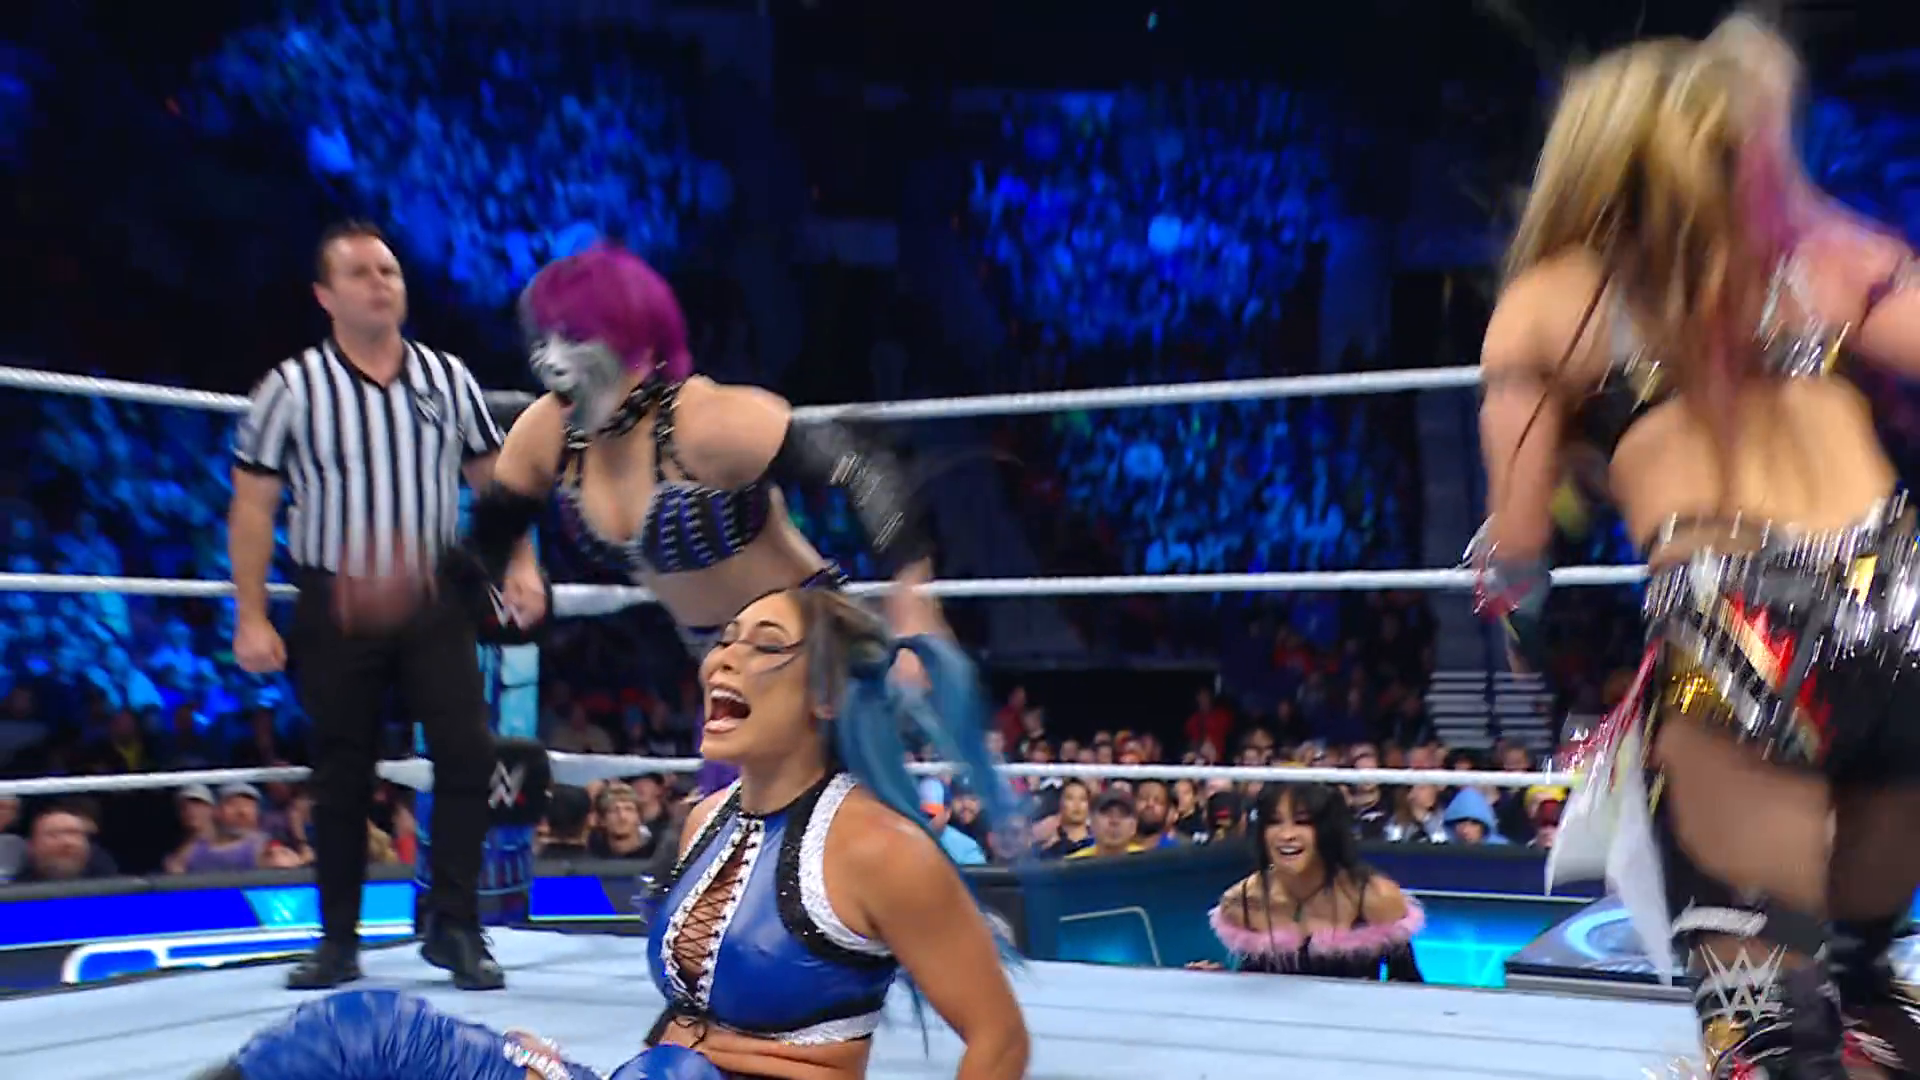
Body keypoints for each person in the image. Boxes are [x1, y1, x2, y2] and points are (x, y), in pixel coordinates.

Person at [1469, 16, 1920, 1077]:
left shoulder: (1548, 303)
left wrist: (1529, 640)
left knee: (1769, 1022)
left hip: (1743, 628)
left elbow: (1517, 558)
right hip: (1907, 602)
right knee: (1865, 992)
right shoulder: (1819, 266)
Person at [189, 583, 1031, 1080]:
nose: (723, 659)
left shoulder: (879, 847)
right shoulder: (704, 817)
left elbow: (999, 1038)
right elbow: (688, 1016)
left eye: (763, 645)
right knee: (357, 1034)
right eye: (725, 640)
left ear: (825, 696)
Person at [441, 245, 942, 795]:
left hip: (812, 650)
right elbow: (496, 522)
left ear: (635, 346)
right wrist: (516, 565)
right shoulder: (548, 435)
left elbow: (863, 470)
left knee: (805, 827)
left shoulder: (702, 422)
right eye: (547, 339)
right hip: (725, 667)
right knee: (733, 832)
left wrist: (911, 600)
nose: (554, 361)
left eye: (577, 338)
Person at [229, 221, 547, 992]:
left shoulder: (447, 378)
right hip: (336, 599)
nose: (381, 283)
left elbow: (496, 482)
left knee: (468, 753)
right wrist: (250, 614)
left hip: (435, 596)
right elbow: (253, 506)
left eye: (390, 271)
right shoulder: (291, 388)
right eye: (361, 272)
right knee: (342, 768)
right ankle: (338, 940)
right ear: (325, 295)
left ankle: (455, 926)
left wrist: (523, 564)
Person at [1198, 783, 1423, 981]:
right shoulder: (1242, 902)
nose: (1286, 835)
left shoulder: (1375, 898)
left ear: (1328, 829)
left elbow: (1410, 988)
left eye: (1302, 821)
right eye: (1274, 822)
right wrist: (1218, 981)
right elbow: (1252, 985)